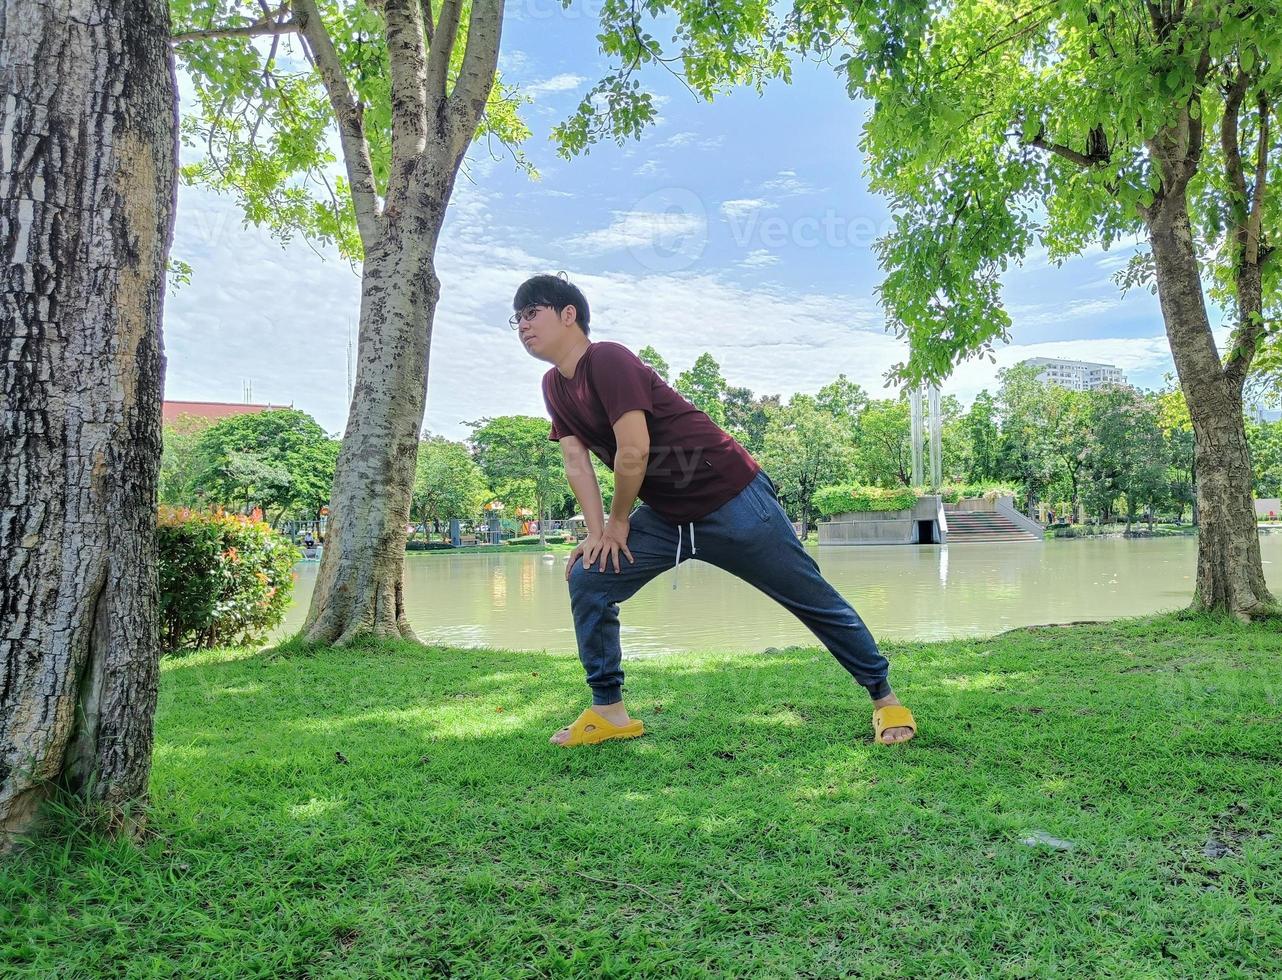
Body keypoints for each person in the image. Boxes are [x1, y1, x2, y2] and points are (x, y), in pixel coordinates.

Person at [512, 273, 916, 748]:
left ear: (567, 314)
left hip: (733, 498)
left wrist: (619, 521)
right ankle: (610, 712)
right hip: (667, 517)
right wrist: (598, 533)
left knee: (812, 598)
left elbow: (633, 449)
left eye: (530, 313)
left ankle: (885, 700)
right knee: (590, 578)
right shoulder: (553, 387)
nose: (521, 326)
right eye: (515, 319)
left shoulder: (607, 359)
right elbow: (575, 461)